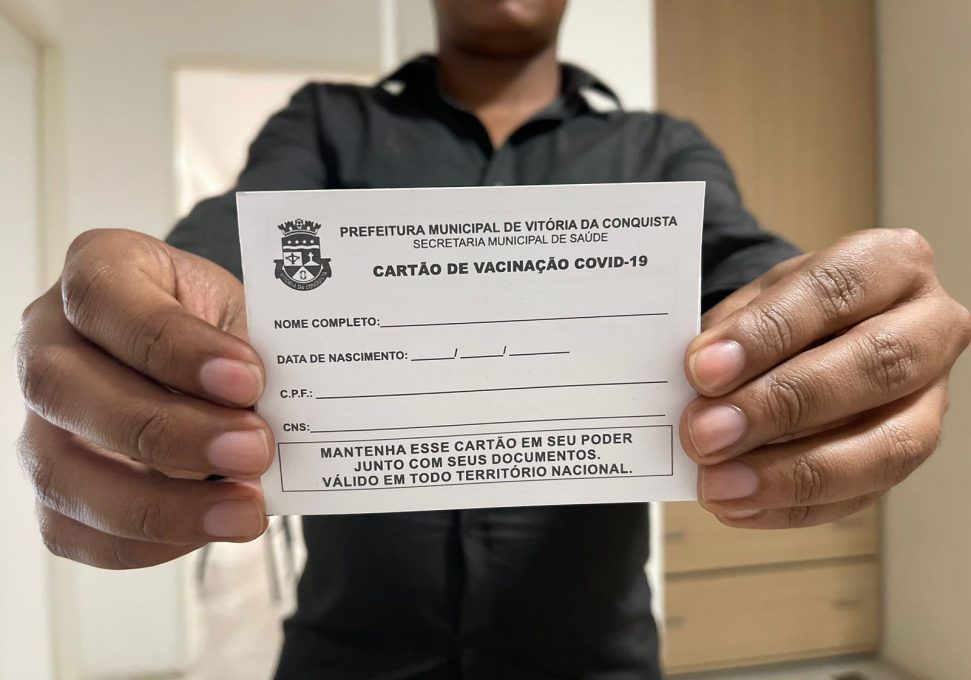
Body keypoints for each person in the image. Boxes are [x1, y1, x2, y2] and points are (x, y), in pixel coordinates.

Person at [15, 1, 970, 678]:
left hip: (594, 657)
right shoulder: (324, 124)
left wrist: (837, 326)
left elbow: (743, 268)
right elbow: (229, 238)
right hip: (344, 653)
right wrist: (144, 315)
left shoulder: (658, 148)